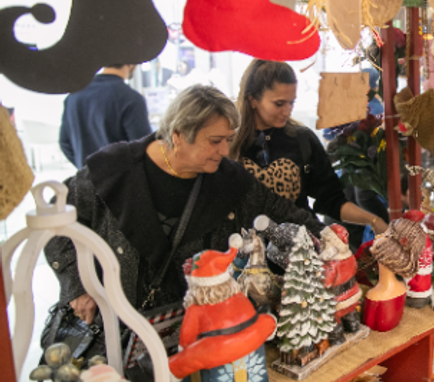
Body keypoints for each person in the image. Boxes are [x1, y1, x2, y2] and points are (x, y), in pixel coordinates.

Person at [45, 85, 326, 325]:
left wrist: (327, 237)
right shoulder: (112, 170)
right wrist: (78, 286)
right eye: (215, 141)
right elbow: (54, 223)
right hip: (114, 329)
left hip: (193, 331)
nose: (225, 151)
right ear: (178, 135)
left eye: (228, 140)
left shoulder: (228, 178)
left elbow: (281, 210)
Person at [231, 59, 389, 239]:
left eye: (292, 102)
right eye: (279, 103)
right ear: (252, 100)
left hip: (301, 257)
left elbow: (332, 200)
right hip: (243, 259)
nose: (287, 111)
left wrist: (374, 220)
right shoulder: (227, 146)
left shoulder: (302, 140)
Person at [59, 63, 152, 168]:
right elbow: (143, 149)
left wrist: (86, 170)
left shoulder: (73, 96)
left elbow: (65, 143)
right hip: (120, 181)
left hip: (86, 181)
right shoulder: (131, 98)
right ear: (130, 63)